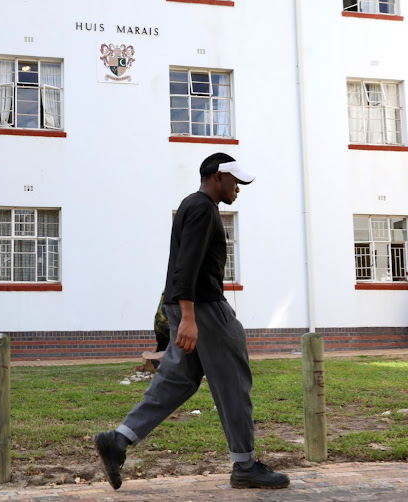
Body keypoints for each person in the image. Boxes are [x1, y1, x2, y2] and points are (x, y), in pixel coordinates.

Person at [94, 152, 290, 490]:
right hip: (203, 308)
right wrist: (188, 317)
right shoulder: (202, 208)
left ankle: (118, 440)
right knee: (233, 380)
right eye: (235, 181)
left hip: (187, 305)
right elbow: (187, 264)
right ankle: (245, 465)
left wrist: (180, 311)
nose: (238, 189)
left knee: (178, 381)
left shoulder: (191, 205)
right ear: (217, 176)